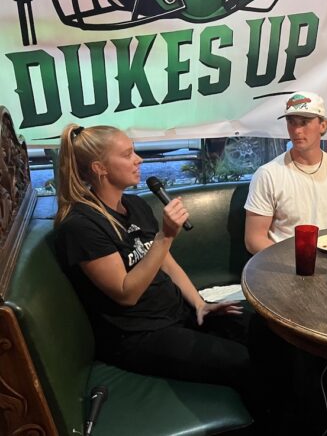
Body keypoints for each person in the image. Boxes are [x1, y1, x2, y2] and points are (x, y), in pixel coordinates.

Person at [54, 124, 254, 397]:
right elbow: (126, 293)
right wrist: (166, 236)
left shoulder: (135, 204)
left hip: (178, 312)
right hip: (138, 335)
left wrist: (200, 303)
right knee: (243, 362)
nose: (138, 159)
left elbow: (166, 263)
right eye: (127, 154)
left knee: (264, 332)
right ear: (100, 168)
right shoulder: (81, 226)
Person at [244, 91, 327, 254]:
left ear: (323, 125)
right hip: (285, 263)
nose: (296, 130)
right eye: (291, 122)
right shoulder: (268, 174)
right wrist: (292, 260)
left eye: (304, 122)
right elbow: (254, 239)